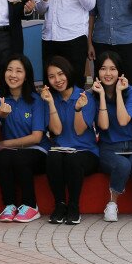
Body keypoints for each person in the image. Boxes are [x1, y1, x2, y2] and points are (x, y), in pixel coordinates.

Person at [92, 51, 132, 223]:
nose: (108, 73)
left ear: (120, 72)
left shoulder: (131, 92)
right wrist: (103, 96)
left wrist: (119, 92)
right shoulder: (93, 94)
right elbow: (103, 125)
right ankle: (112, 204)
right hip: (108, 147)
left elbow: (123, 120)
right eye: (103, 69)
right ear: (97, 72)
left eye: (113, 69)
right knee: (123, 165)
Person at [42, 56, 97, 225]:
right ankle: (60, 205)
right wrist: (51, 103)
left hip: (86, 152)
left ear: (68, 73)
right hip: (61, 152)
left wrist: (78, 108)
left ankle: (73, 206)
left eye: (61, 74)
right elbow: (57, 130)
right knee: (52, 157)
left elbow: (79, 131)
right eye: (52, 76)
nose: (57, 80)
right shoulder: (48, 98)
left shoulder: (85, 96)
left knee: (73, 160)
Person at [0, 54, 47, 224]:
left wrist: (3, 143)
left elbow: (37, 137)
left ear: (26, 76)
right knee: (2, 158)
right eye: (9, 70)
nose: (13, 75)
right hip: (12, 153)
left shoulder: (36, 100)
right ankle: (9, 205)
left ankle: (31, 206)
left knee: (18, 158)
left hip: (37, 152)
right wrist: (2, 112)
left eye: (18, 71)